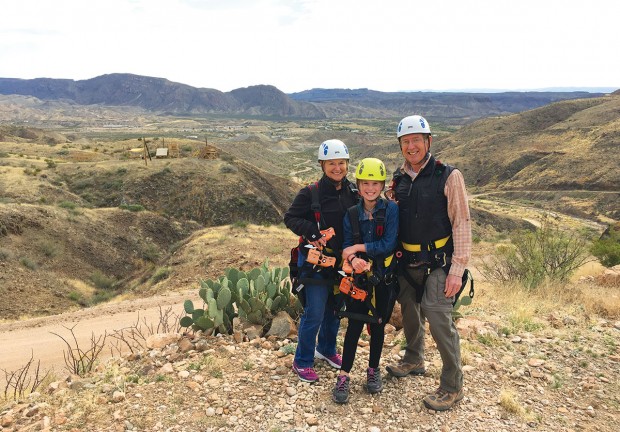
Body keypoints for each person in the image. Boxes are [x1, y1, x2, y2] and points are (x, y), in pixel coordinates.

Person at [385, 115, 472, 411]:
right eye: (406, 142)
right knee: (409, 311)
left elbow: (461, 223)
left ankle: (452, 385)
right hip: (406, 262)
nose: (411, 146)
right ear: (401, 146)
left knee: (437, 316)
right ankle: (413, 359)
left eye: (416, 140)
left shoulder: (448, 175)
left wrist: (457, 271)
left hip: (439, 262)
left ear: (428, 141)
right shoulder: (397, 181)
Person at [284, 139, 359, 383]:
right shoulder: (310, 193)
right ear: (322, 165)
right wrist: (312, 232)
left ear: (347, 164)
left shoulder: (352, 193)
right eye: (331, 163)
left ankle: (326, 349)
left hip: (340, 265)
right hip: (315, 265)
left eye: (341, 163)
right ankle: (302, 360)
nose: (337, 168)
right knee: (314, 312)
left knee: (334, 311)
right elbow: (291, 218)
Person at [331, 157, 399, 404]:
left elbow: (388, 243)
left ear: (382, 186)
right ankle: (344, 374)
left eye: (375, 184)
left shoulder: (391, 210)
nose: (370, 189)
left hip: (383, 277)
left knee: (378, 324)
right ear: (358, 186)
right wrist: (355, 259)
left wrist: (358, 249)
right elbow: (347, 245)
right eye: (365, 184)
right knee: (355, 323)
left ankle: (373, 370)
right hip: (359, 278)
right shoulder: (351, 214)